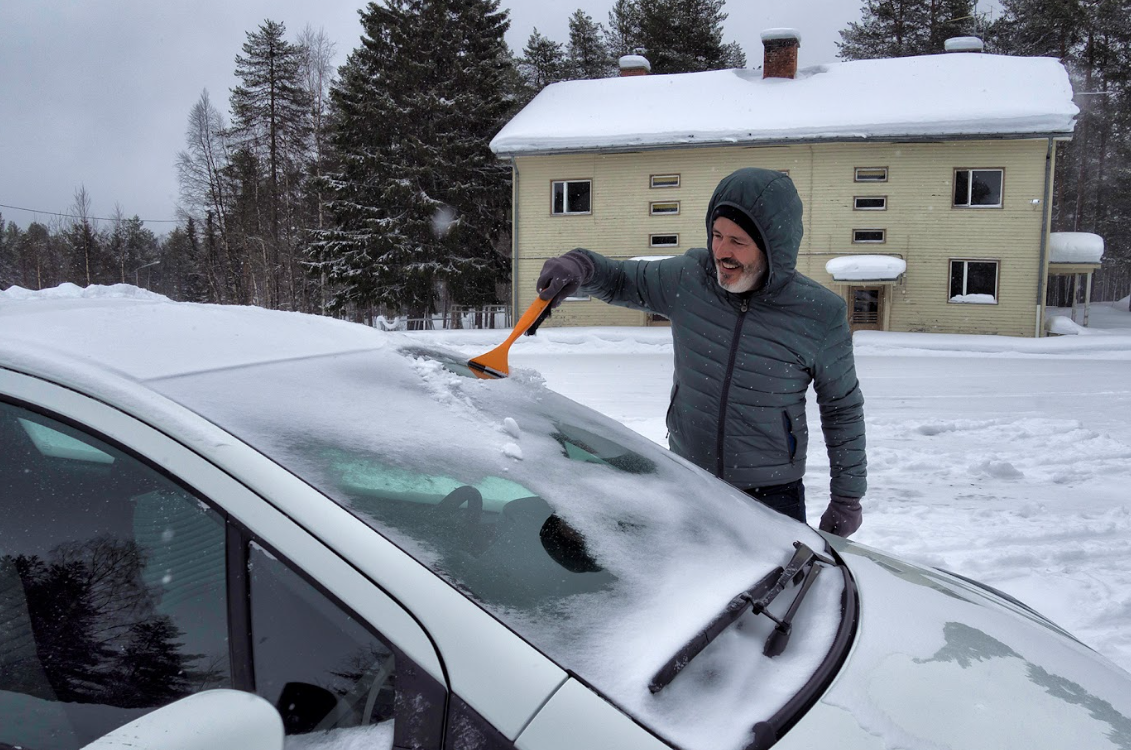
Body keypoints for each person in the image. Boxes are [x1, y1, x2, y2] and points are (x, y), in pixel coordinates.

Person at [535, 167, 866, 537]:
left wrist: (847, 498)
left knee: (778, 593)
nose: (722, 251)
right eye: (717, 235)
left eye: (738, 241)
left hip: (771, 496)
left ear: (774, 245)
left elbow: (842, 409)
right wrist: (580, 264)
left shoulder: (818, 314)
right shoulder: (690, 278)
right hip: (688, 480)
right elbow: (621, 279)